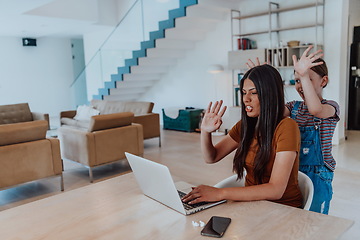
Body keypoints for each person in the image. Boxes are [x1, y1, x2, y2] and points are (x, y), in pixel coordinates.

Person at [182, 64, 303, 208]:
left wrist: (220, 193)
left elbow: (276, 190)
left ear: (269, 94)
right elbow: (211, 157)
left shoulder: (287, 127)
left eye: (253, 92)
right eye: (244, 92)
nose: (246, 99)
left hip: (283, 208)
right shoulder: (246, 125)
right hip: (252, 205)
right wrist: (205, 131)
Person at [247, 46, 340, 214]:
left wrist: (302, 75)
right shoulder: (293, 107)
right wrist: (262, 82)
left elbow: (315, 109)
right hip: (292, 171)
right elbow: (270, 110)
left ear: (323, 81)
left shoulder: (331, 107)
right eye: (297, 80)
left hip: (318, 176)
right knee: (295, 216)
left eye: (307, 79)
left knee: (315, 219)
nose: (300, 85)